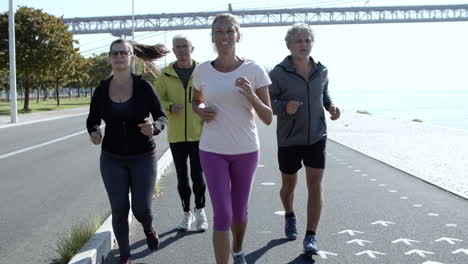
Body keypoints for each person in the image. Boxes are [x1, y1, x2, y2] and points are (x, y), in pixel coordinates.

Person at [192, 13, 273, 264]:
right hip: (212, 149)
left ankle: (238, 249)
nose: (224, 36)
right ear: (212, 37)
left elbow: (268, 117)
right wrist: (200, 110)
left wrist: (250, 95)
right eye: (219, 31)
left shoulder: (254, 69)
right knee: (222, 214)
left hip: (246, 150)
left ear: (238, 35)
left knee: (239, 212)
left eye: (229, 31)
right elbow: (196, 100)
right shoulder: (203, 70)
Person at [86, 39, 169, 264]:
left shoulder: (143, 87)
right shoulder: (102, 90)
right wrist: (94, 132)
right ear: (110, 58)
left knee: (141, 208)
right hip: (112, 158)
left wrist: (155, 128)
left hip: (143, 155)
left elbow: (161, 116)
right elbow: (92, 120)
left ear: (132, 57)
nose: (119, 57)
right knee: (120, 208)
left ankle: (148, 228)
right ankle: (125, 254)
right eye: (115, 53)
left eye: (124, 53)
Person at [268, 23, 341, 255]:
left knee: (315, 186)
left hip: (317, 137)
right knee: (288, 186)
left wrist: (331, 106)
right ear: (289, 45)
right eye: (298, 41)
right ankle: (289, 215)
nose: (303, 44)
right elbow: (266, 103)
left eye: (307, 40)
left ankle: (311, 236)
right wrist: (283, 107)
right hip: (289, 139)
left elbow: (324, 93)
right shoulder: (278, 73)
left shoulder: (322, 70)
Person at [154, 35, 208, 232]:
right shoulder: (165, 74)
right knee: (182, 178)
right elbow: (157, 100)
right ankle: (186, 213)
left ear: (192, 49)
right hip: (176, 136)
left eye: (186, 46)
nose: (182, 50)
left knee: (198, 176)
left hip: (199, 134)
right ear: (174, 51)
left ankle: (200, 211)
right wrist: (169, 106)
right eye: (178, 47)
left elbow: (213, 94)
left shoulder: (203, 70)